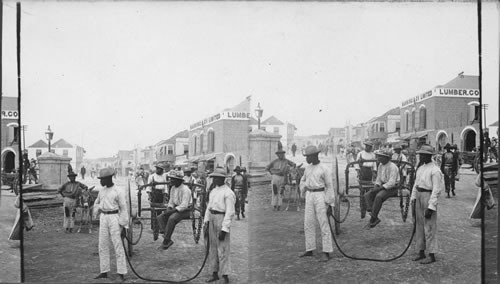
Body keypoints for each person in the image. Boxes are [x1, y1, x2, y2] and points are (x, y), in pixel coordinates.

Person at [299, 145, 335, 262]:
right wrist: (303, 190)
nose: (306, 159)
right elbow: (303, 180)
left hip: (320, 196)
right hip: (309, 195)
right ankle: (309, 249)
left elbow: (329, 186)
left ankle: (327, 251)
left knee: (323, 223)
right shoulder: (307, 168)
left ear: (315, 156)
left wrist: (330, 203)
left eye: (308, 156)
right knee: (308, 222)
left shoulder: (324, 168)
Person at [93, 168, 129, 281]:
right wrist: (96, 211)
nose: (101, 182)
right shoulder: (101, 191)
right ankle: (104, 271)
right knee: (102, 245)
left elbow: (123, 208)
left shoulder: (118, 190)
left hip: (114, 218)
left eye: (102, 179)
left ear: (109, 179)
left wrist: (123, 225)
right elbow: (97, 202)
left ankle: (121, 273)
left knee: (117, 245)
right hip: (103, 218)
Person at [410, 144, 444, 264]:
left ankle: (431, 254)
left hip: (428, 197)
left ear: (430, 156)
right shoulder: (420, 168)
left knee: (429, 226)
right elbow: (416, 184)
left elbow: (436, 190)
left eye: (424, 155)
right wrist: (413, 199)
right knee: (418, 225)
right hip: (419, 196)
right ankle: (420, 251)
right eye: (421, 155)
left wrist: (431, 206)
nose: (422, 157)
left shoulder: (435, 170)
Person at [203, 167, 236, 283]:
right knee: (212, 247)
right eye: (214, 178)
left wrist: (224, 228)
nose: (215, 180)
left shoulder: (228, 193)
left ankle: (225, 275)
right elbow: (208, 207)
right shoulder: (213, 191)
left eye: (217, 178)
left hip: (221, 218)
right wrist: (206, 222)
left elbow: (230, 212)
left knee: (223, 248)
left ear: (223, 179)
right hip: (212, 217)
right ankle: (214, 273)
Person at [156, 170, 193, 247]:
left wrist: (171, 211)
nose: (171, 181)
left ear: (179, 180)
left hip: (186, 210)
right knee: (160, 217)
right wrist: (169, 208)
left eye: (173, 179)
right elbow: (171, 201)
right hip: (176, 208)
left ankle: (166, 240)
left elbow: (184, 206)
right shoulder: (173, 188)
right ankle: (166, 234)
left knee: (172, 218)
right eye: (170, 179)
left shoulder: (185, 189)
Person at [364, 149, 400, 228]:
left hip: (392, 188)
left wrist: (378, 189)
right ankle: (374, 214)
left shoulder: (393, 167)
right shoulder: (380, 165)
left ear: (387, 158)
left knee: (379, 196)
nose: (379, 158)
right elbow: (379, 179)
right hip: (383, 186)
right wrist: (376, 187)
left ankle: (373, 218)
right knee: (367, 195)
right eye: (379, 157)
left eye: (381, 157)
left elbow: (391, 183)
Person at [356, 141, 377, 218]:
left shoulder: (372, 154)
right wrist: (358, 171)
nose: (369, 148)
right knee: (362, 192)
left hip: (369, 172)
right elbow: (356, 164)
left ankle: (369, 208)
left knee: (369, 191)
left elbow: (374, 164)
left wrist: (374, 172)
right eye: (368, 146)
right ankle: (362, 210)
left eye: (371, 147)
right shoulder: (360, 154)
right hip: (362, 172)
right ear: (366, 146)